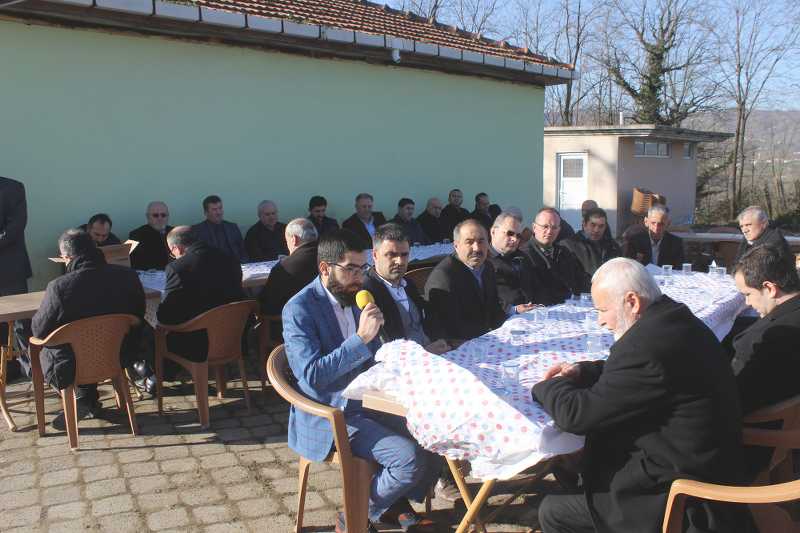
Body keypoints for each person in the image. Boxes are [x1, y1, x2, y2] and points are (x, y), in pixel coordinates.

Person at [533, 258, 744, 533]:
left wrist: (545, 386)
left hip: (681, 492)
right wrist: (583, 371)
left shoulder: (645, 346)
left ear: (631, 301)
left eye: (603, 310)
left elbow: (577, 416)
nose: (600, 321)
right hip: (703, 458)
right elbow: (634, 375)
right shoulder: (672, 318)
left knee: (552, 510)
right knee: (573, 464)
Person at [282, 229, 441, 532]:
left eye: (362, 268)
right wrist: (360, 339)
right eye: (351, 269)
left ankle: (393, 504)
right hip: (331, 410)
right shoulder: (299, 308)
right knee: (409, 459)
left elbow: (373, 354)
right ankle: (355, 515)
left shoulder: (354, 296)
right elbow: (313, 376)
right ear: (325, 268)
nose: (359, 277)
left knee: (433, 431)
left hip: (368, 398)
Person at [32, 229, 145, 428]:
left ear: (66, 257)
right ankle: (87, 398)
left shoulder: (60, 287)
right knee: (85, 339)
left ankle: (84, 397)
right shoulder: (127, 276)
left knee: (53, 344)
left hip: (73, 362)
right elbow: (139, 313)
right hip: (119, 354)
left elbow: (40, 330)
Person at [731, 245, 800, 481]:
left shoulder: (769, 339)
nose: (747, 303)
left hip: (755, 444)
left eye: (748, 294)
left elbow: (733, 400)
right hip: (785, 425)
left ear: (770, 288)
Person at [157, 227, 244, 365]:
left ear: (176, 249)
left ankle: (160, 377)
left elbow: (167, 316)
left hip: (198, 344)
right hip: (234, 335)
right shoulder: (230, 258)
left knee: (156, 336)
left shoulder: (178, 268)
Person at [362, 223, 448, 353]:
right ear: (375, 255)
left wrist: (439, 340)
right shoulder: (366, 291)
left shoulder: (408, 283)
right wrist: (425, 352)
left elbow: (428, 319)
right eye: (391, 255)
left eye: (404, 254)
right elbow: (380, 348)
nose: (400, 261)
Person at [425, 219, 508, 343]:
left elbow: (494, 308)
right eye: (469, 242)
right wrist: (490, 336)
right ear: (456, 246)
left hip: (488, 338)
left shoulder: (487, 267)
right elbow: (451, 327)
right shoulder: (444, 277)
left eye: (481, 241)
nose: (477, 248)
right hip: (460, 345)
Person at [0, 177, 33, 381]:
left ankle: (33, 371)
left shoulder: (12, 187)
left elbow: (15, 228)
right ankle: (6, 371)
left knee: (21, 325)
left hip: (10, 268)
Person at [525, 208, 591, 305]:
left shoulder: (564, 252)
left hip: (570, 309)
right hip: (539, 313)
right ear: (534, 227)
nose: (549, 231)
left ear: (559, 230)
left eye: (554, 227)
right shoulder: (524, 255)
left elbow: (581, 280)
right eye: (545, 226)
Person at [258, 218, 319, 317]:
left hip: (293, 323)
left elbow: (267, 304)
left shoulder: (284, 267)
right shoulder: (329, 258)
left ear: (294, 239)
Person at [487, 212, 538, 312]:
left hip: (532, 314)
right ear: (493, 232)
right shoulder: (482, 260)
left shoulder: (523, 257)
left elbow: (535, 285)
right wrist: (513, 310)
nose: (514, 239)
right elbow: (483, 300)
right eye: (510, 233)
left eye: (518, 236)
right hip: (502, 320)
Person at [560, 207, 621, 277]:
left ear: (605, 227)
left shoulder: (613, 246)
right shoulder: (568, 245)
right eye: (593, 225)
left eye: (601, 226)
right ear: (584, 224)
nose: (596, 230)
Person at [191, 195, 247, 262]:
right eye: (214, 209)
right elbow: (196, 256)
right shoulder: (197, 230)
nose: (219, 212)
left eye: (220, 208)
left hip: (235, 266)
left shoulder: (232, 227)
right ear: (206, 213)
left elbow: (242, 250)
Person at [129, 201, 173, 270]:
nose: (160, 218)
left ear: (168, 216)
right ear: (147, 217)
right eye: (155, 215)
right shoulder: (135, 235)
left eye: (163, 215)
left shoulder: (176, 232)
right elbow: (127, 260)